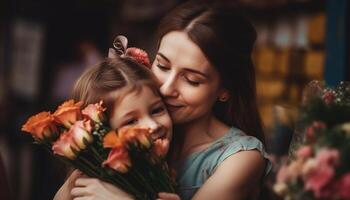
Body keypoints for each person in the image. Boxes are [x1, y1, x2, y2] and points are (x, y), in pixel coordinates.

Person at [58, 1, 272, 199]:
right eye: (162, 66)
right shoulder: (137, 134)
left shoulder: (240, 159)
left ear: (224, 89)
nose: (167, 88)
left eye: (191, 79)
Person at [53, 48, 173, 200]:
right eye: (131, 121)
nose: (152, 125)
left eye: (156, 110)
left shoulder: (164, 171)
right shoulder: (94, 191)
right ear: (101, 135)